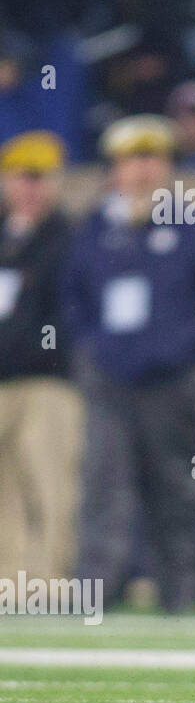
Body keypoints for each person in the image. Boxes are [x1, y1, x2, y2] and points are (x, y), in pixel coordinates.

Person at [63, 116, 195, 611]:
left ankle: (177, 594)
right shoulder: (96, 227)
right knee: (103, 485)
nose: (141, 170)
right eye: (132, 160)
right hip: (110, 379)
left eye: (152, 159)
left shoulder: (188, 227)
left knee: (175, 489)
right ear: (115, 167)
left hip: (171, 382)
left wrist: (189, 352)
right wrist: (91, 347)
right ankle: (96, 592)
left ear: (166, 167)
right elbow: (72, 296)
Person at [0, 132, 80, 580]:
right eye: (22, 178)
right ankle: (8, 579)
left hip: (47, 381)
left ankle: (50, 580)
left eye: (41, 179)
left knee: (50, 484)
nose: (31, 189)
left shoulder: (66, 237)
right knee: (4, 489)